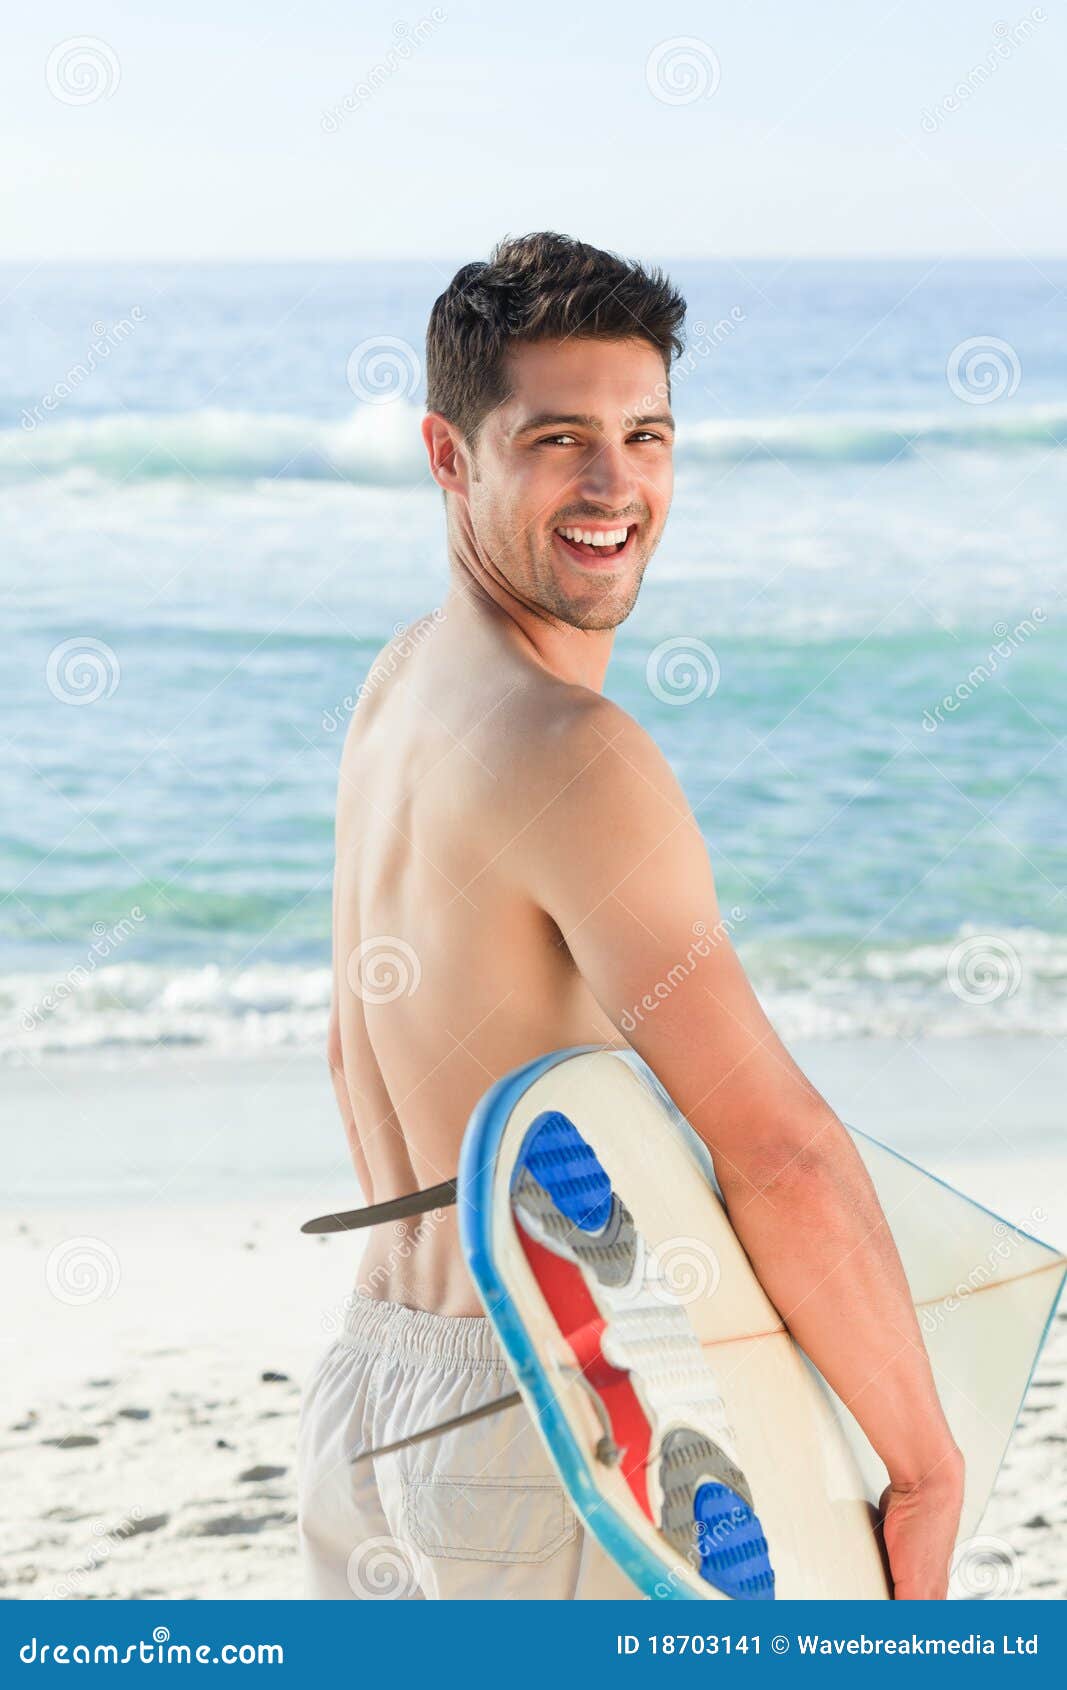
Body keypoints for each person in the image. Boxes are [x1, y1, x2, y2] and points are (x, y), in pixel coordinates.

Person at [297, 231, 964, 1600]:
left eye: (645, 434)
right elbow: (779, 1154)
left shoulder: (400, 685)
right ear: (447, 455)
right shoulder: (574, 751)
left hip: (369, 1392)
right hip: (533, 1425)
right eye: (558, 438)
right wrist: (926, 1462)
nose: (615, 485)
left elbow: (351, 1045)